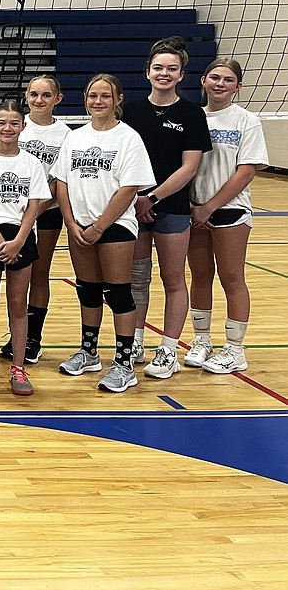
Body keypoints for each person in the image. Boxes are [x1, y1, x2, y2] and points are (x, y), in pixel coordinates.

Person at [54, 74, 155, 393]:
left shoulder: (128, 138)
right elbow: (62, 183)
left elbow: (130, 188)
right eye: (92, 96)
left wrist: (100, 226)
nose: (98, 101)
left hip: (115, 227)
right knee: (87, 289)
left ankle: (124, 363)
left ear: (118, 100)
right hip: (79, 227)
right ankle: (89, 352)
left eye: (105, 96)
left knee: (118, 292)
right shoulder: (75, 137)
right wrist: (71, 223)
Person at [121, 36, 212, 379]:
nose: (164, 73)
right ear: (147, 72)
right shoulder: (130, 112)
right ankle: (138, 341)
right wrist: (135, 199)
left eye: (171, 68)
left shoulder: (190, 114)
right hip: (133, 208)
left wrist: (152, 198)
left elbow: (189, 167)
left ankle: (169, 349)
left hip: (171, 208)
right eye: (158, 67)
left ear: (181, 75)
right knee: (137, 278)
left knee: (173, 279)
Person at [186, 58, 268, 374]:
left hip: (230, 210)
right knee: (200, 275)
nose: (221, 83)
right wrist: (197, 207)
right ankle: (201, 341)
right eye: (215, 77)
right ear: (203, 81)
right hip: (194, 210)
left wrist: (211, 206)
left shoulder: (246, 121)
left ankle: (235, 350)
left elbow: (246, 171)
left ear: (238, 86)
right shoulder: (192, 117)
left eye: (228, 79)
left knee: (231, 278)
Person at [0, 100, 50, 396]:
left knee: (18, 305)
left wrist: (18, 241)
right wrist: (0, 241)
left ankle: (18, 368)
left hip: (22, 236)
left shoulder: (31, 163)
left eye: (14, 123)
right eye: (2, 123)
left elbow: (34, 205)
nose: (8, 128)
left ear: (23, 126)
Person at [0, 75, 70, 365]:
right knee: (13, 277)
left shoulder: (66, 134)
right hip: (12, 212)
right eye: (33, 94)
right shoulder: (16, 125)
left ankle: (33, 338)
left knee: (39, 273)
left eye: (45, 95)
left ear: (58, 99)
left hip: (48, 211)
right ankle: (15, 332)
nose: (39, 100)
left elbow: (60, 179)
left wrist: (37, 209)